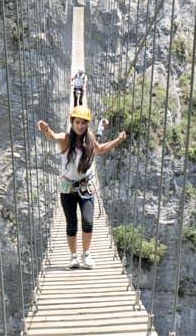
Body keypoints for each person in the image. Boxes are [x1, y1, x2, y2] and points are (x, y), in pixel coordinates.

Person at [37, 105, 126, 269]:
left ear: (87, 124)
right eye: (77, 122)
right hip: (68, 188)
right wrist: (46, 130)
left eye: (83, 123)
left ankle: (85, 254)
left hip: (85, 187)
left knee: (88, 221)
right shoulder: (65, 139)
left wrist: (118, 140)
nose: (80, 126)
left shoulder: (90, 139)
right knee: (71, 223)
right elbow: (53, 137)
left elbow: (99, 149)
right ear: (72, 122)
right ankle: (73, 257)